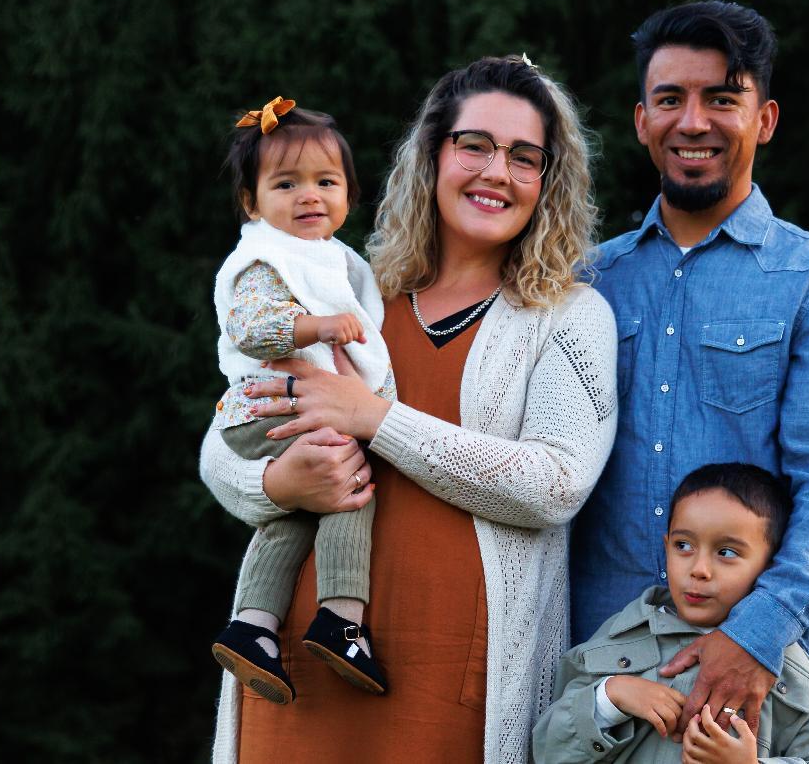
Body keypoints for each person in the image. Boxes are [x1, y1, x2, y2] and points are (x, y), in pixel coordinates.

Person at [199, 55, 617, 763]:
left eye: (524, 157)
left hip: (459, 693)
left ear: (549, 180)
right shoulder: (350, 293)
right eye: (474, 146)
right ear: (431, 156)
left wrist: (374, 419)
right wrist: (279, 483)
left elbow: (555, 484)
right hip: (295, 680)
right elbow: (223, 441)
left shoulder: (568, 316)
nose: (496, 172)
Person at [572, 0, 809, 741]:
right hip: (600, 668)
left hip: (763, 675)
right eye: (670, 99)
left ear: (764, 120)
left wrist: (758, 634)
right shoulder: (585, 282)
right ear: (641, 120)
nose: (693, 122)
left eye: (721, 99)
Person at [209, 97, 395, 706]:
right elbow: (252, 327)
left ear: (349, 194)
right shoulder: (265, 259)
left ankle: (252, 627)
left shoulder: (338, 260)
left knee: (295, 511)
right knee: (348, 485)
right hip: (267, 408)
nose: (309, 196)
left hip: (284, 411)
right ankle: (342, 621)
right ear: (251, 202)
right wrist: (318, 327)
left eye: (326, 182)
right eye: (286, 184)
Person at [534, 464, 809, 763]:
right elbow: (546, 751)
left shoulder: (789, 669)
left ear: (771, 566)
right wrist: (609, 699)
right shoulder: (617, 639)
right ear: (666, 546)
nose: (699, 569)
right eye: (684, 546)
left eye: (726, 552)